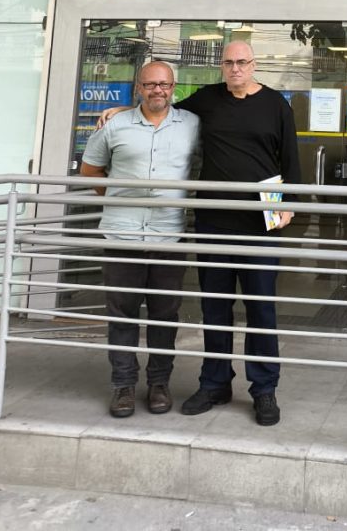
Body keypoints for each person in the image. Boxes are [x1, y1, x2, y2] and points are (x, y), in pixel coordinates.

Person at [99, 40, 299, 426]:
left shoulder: (276, 105)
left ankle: (264, 389)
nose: (236, 68)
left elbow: (290, 158)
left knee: (261, 308)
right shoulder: (207, 99)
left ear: (254, 64)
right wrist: (124, 111)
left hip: (261, 222)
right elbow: (162, 108)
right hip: (213, 221)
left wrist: (290, 202)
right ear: (221, 66)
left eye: (242, 62)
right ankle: (215, 383)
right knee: (215, 307)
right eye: (229, 62)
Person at [81, 61, 201, 418]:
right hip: (122, 234)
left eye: (163, 84)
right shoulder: (115, 125)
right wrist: (119, 198)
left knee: (165, 315)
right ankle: (123, 385)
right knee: (122, 314)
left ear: (173, 87)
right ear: (138, 87)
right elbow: (91, 169)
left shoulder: (192, 124)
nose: (157, 90)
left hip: (168, 235)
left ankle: (159, 383)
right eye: (149, 84)